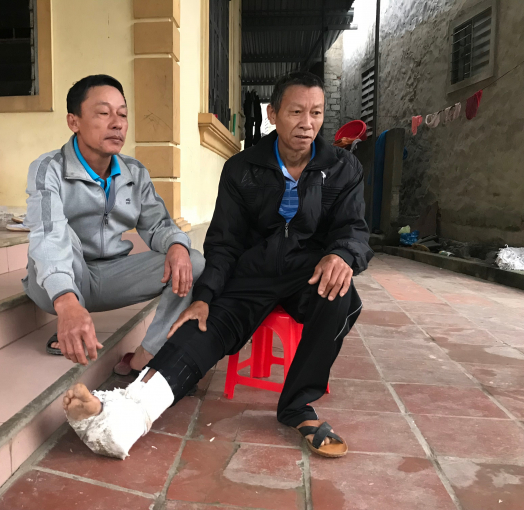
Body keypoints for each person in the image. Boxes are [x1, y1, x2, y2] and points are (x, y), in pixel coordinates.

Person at [61, 71, 373, 460]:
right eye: (296, 112)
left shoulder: (343, 167)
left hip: (307, 275)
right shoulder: (242, 168)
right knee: (200, 326)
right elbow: (224, 242)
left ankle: (297, 405)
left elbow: (354, 230)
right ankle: (126, 413)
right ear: (273, 114)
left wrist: (342, 254)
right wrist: (205, 296)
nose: (307, 124)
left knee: (340, 293)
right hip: (251, 275)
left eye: (316, 113)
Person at [23, 74, 204, 373]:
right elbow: (48, 236)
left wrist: (176, 245)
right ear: (74, 121)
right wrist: (67, 304)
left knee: (192, 261)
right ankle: (72, 313)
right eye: (103, 113)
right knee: (62, 231)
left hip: (112, 276)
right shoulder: (49, 168)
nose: (117, 124)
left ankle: (149, 353)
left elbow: (158, 225)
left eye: (122, 114)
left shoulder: (135, 172)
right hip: (64, 279)